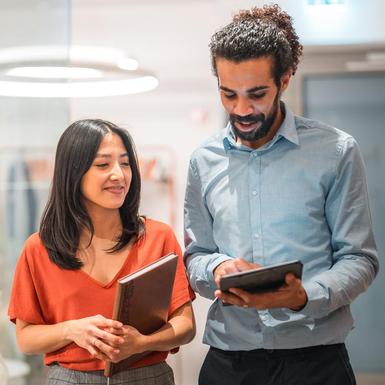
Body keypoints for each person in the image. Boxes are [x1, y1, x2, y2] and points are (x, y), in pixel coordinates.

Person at [184, 4, 379, 385]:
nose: (241, 110)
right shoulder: (202, 161)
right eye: (228, 94)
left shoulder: (336, 151)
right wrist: (216, 269)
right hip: (229, 362)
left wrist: (301, 297)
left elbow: (360, 259)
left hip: (316, 361)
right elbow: (195, 257)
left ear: (285, 79)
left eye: (256, 94)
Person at [8, 119, 195, 385]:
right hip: (69, 378)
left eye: (125, 163)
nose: (119, 174)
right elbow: (25, 339)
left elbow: (186, 327)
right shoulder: (39, 249)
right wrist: (72, 330)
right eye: (103, 165)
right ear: (73, 172)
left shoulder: (158, 237)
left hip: (148, 376)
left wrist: (142, 343)